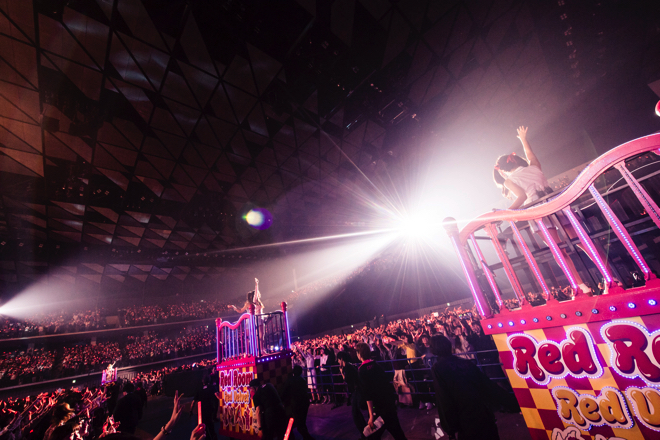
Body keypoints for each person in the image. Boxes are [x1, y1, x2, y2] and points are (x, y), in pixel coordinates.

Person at [493, 126, 592, 295]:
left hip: (538, 212)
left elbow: (522, 197)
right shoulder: (534, 167)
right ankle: (611, 277)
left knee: (558, 250)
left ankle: (582, 287)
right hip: (556, 204)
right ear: (514, 160)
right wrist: (523, 139)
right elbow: (530, 155)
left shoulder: (509, 181)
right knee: (582, 241)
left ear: (503, 169)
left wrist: (504, 213)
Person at [430, 335, 518, 440]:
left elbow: (444, 399)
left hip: (465, 418)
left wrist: (450, 430)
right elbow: (487, 385)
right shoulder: (465, 363)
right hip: (483, 413)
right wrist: (513, 403)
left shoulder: (438, 368)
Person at [356, 343, 407, 440]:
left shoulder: (362, 370)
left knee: (371, 436)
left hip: (378, 408)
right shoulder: (376, 365)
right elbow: (387, 384)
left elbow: (368, 394)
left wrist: (371, 416)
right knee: (398, 434)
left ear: (359, 354)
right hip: (388, 405)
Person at [280, 365, 315, 440]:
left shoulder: (290, 380)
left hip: (295, 405)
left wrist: (282, 401)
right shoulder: (302, 380)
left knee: (294, 424)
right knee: (302, 422)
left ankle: (305, 438)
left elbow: (284, 392)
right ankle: (306, 437)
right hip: (304, 403)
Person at [337, 351, 367, 439]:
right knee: (357, 414)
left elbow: (347, 380)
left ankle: (365, 434)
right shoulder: (349, 366)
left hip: (356, 392)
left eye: (338, 360)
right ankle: (365, 433)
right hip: (356, 392)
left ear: (341, 359)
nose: (338, 362)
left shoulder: (348, 368)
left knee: (356, 414)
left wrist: (342, 373)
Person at [192, 376, 218, 440]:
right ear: (209, 380)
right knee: (211, 426)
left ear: (202, 381)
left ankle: (206, 437)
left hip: (201, 411)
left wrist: (191, 410)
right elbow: (217, 395)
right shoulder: (212, 387)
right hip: (210, 410)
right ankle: (214, 437)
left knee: (203, 427)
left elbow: (193, 401)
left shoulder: (199, 389)